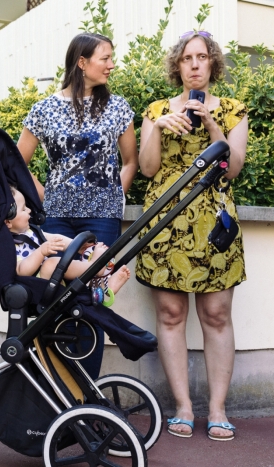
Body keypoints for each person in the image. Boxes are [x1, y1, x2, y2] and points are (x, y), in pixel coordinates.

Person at [135, 30, 247, 442]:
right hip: (166, 222)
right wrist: (158, 128)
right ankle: (182, 406)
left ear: (213, 63)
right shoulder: (156, 109)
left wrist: (213, 124)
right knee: (171, 316)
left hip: (214, 224)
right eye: (187, 58)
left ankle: (217, 409)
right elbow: (147, 169)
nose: (195, 64)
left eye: (202, 57)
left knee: (216, 315)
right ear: (178, 66)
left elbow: (232, 168)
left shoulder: (233, 109)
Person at [17, 32, 138, 379]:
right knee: (53, 296)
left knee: (92, 299)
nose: (112, 65)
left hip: (103, 218)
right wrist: (45, 197)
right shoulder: (44, 109)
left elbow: (129, 161)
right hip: (58, 218)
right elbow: (18, 162)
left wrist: (115, 196)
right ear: (82, 63)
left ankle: (87, 391)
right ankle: (55, 385)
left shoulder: (117, 107)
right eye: (105, 58)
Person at [5, 187, 131, 299]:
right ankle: (95, 268)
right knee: (51, 263)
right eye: (23, 209)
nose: (29, 211)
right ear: (8, 222)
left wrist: (77, 246)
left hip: (53, 282)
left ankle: (103, 289)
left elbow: (56, 239)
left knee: (61, 263)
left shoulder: (31, 231)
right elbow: (21, 271)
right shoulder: (9, 243)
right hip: (35, 286)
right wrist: (41, 252)